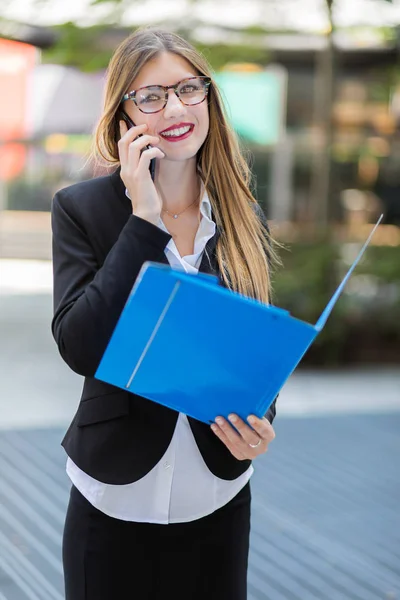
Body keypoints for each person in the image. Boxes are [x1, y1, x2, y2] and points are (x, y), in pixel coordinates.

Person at [51, 26, 279, 600]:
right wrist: (143, 222)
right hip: (113, 495)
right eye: (150, 96)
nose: (174, 108)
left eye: (188, 90)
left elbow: (253, 348)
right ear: (122, 115)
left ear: (209, 99)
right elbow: (80, 346)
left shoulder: (243, 215)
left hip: (218, 496)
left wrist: (261, 421)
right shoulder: (81, 209)